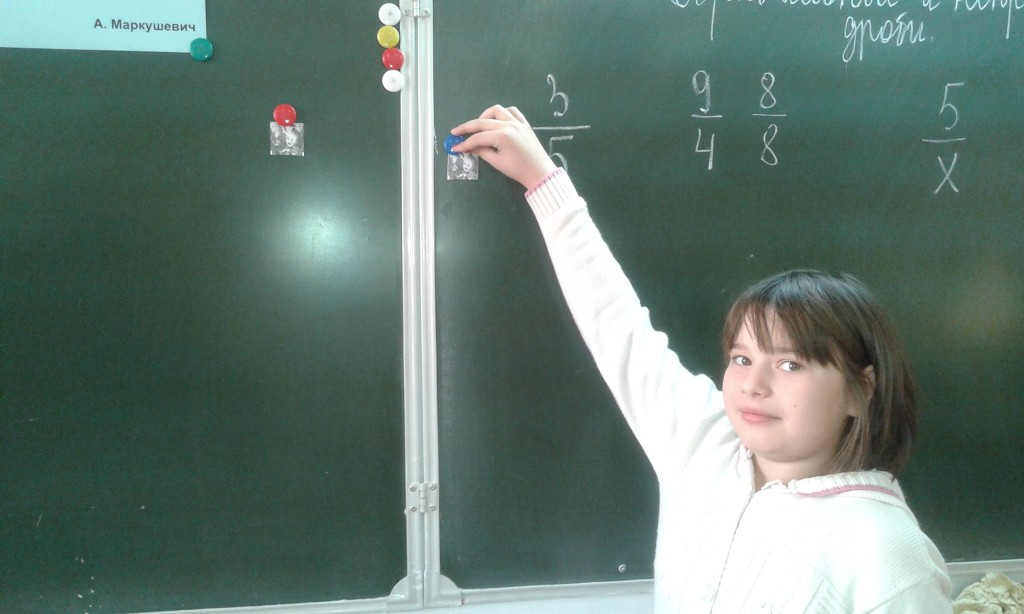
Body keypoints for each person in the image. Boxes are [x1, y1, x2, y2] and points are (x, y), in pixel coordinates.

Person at [450, 105, 953, 613]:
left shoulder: (887, 555)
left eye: (790, 365)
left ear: (861, 391)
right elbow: (617, 326)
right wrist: (544, 182)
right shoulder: (705, 445)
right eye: (741, 358)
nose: (753, 385)